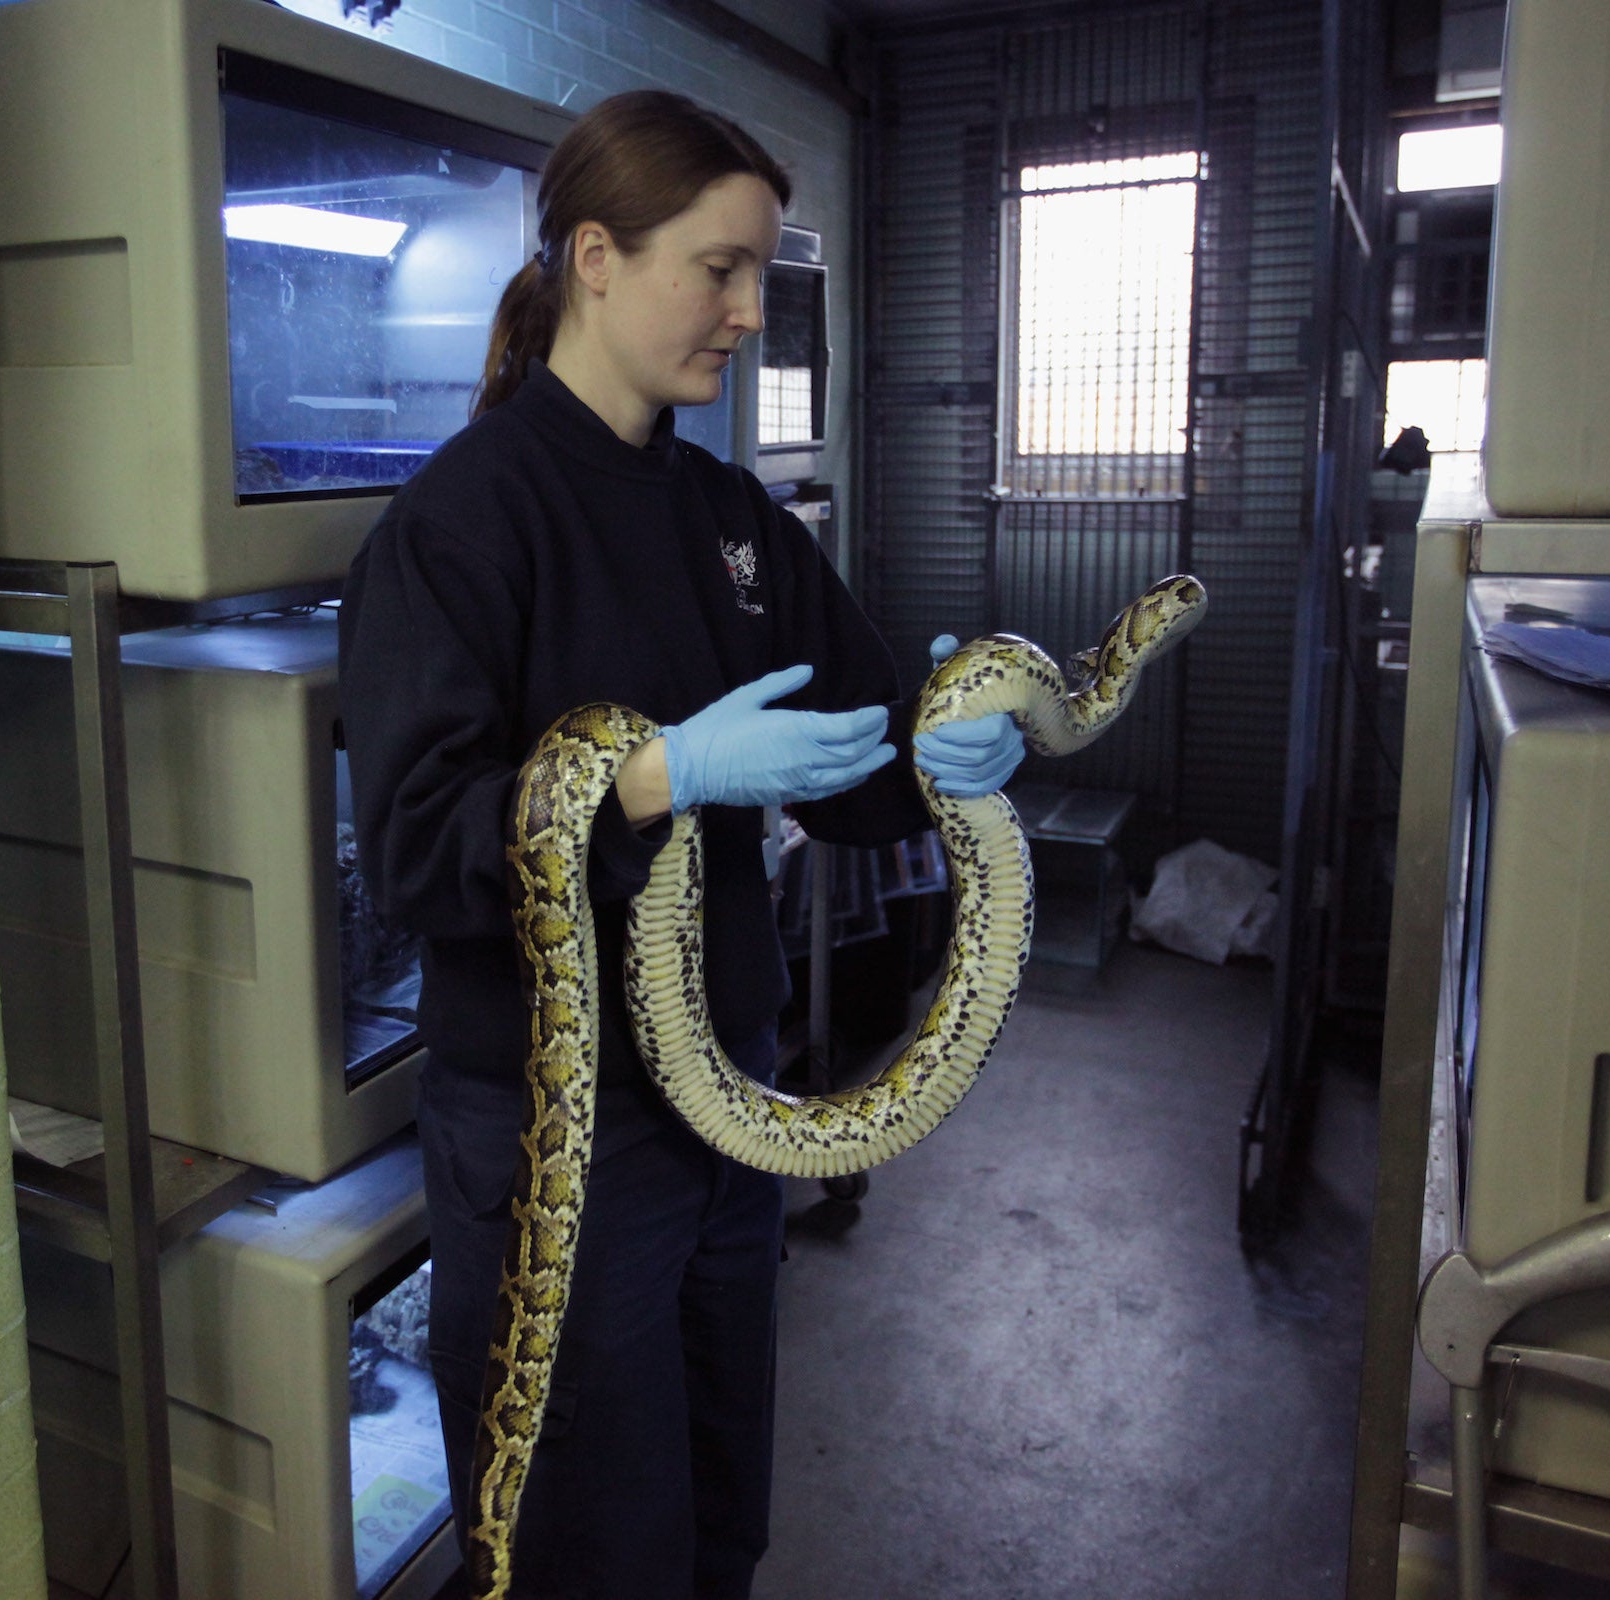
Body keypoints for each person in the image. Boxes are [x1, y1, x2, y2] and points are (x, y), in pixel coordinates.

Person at [338, 90, 1025, 1599]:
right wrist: (655, 775)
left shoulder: (732, 516)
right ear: (595, 255)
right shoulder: (465, 523)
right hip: (561, 1137)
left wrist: (937, 751)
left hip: (731, 1106)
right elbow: (414, 849)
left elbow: (852, 754)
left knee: (719, 1512)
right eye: (716, 269)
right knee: (591, 1540)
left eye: (760, 274)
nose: (745, 311)